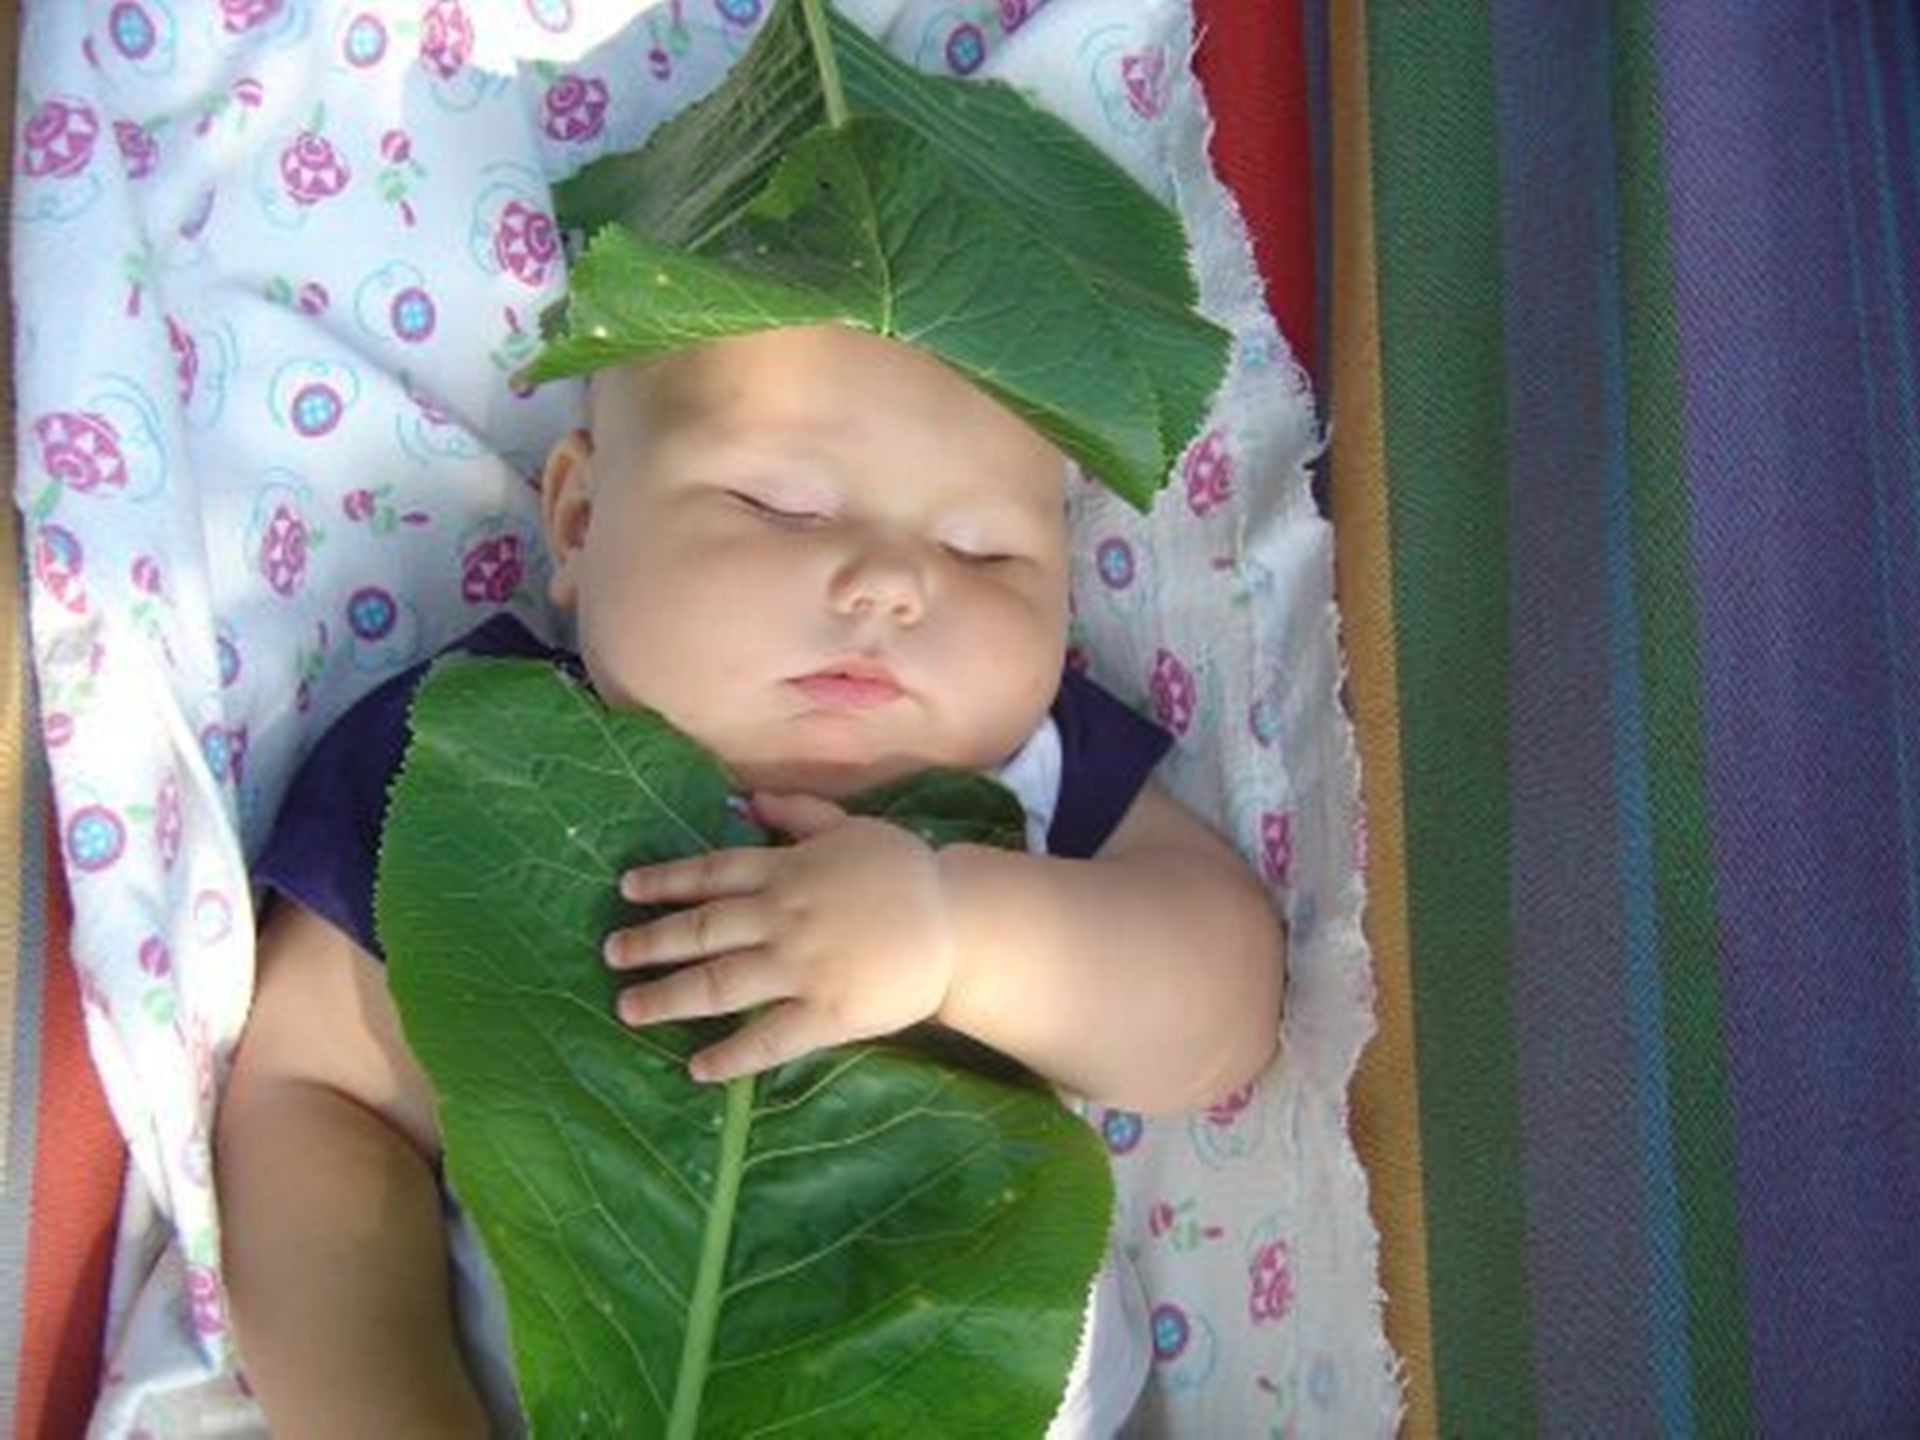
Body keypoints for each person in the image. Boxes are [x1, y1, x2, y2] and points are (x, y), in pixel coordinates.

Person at [215, 323, 1286, 1436]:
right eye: (784, 506)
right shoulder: (485, 755)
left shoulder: (1031, 779)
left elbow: (1228, 1003)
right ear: (581, 520)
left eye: (984, 551)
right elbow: (313, 1103)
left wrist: (962, 937)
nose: (891, 584)